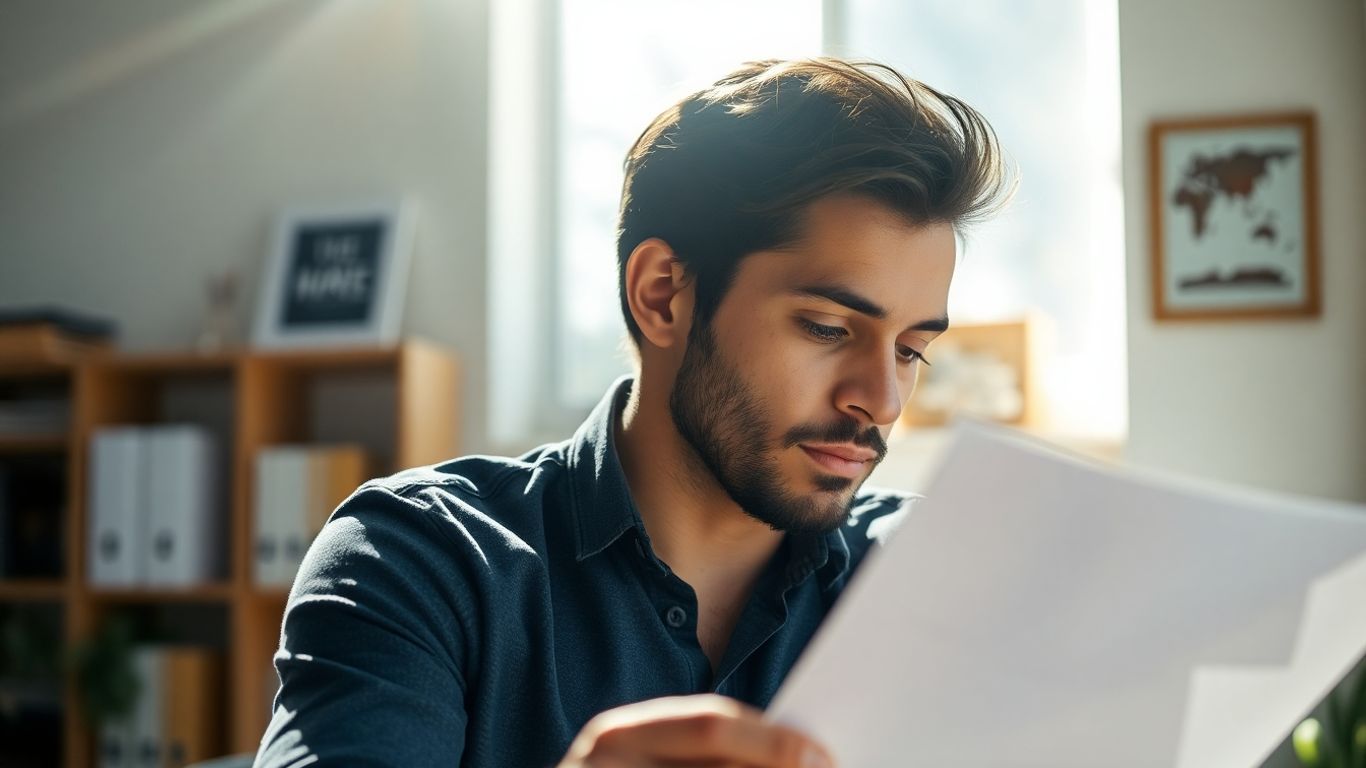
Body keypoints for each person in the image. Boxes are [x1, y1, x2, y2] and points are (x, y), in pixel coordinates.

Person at [254, 57, 1010, 768]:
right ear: (663, 294)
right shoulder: (419, 562)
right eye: (827, 328)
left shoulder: (927, 577)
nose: (879, 399)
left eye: (911, 350)